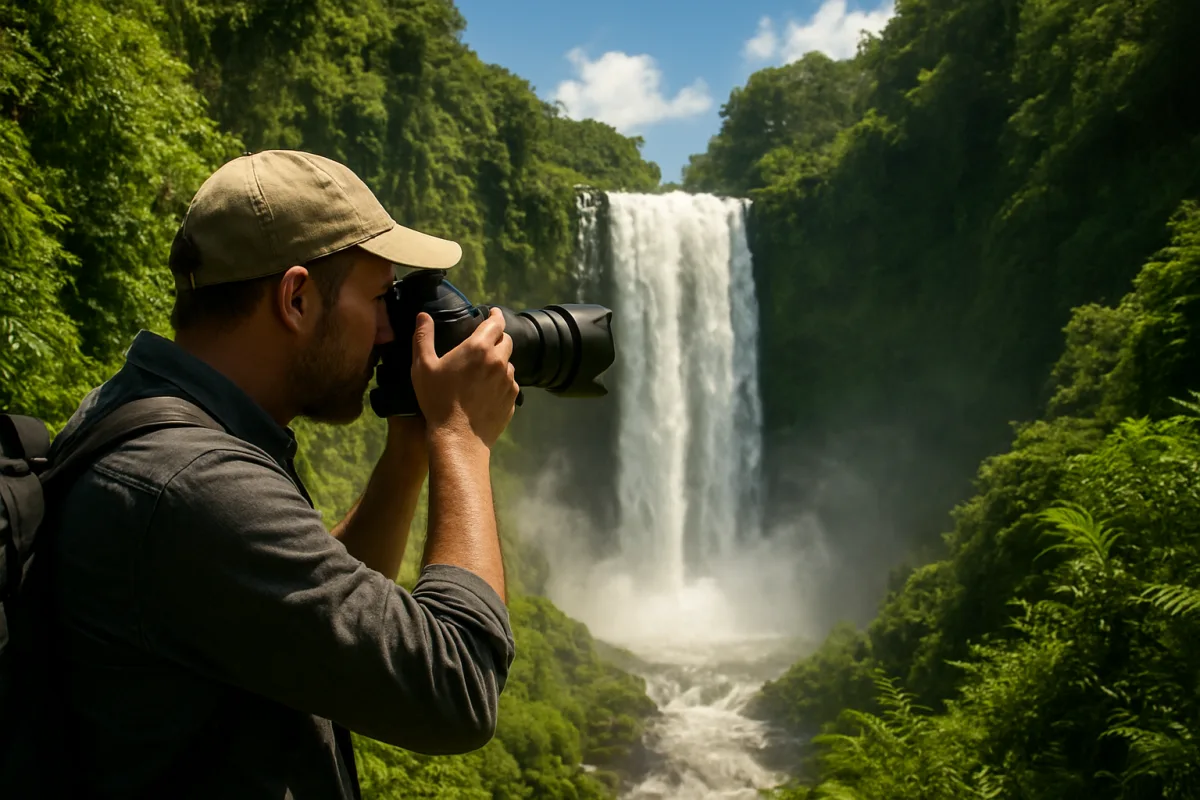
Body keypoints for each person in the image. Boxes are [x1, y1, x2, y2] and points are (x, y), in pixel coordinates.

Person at [42, 150, 519, 798]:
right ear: (295, 298)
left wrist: (410, 445)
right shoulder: (193, 485)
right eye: (380, 298)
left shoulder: (142, 415)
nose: (388, 333)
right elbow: (457, 688)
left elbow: (322, 609)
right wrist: (461, 439)